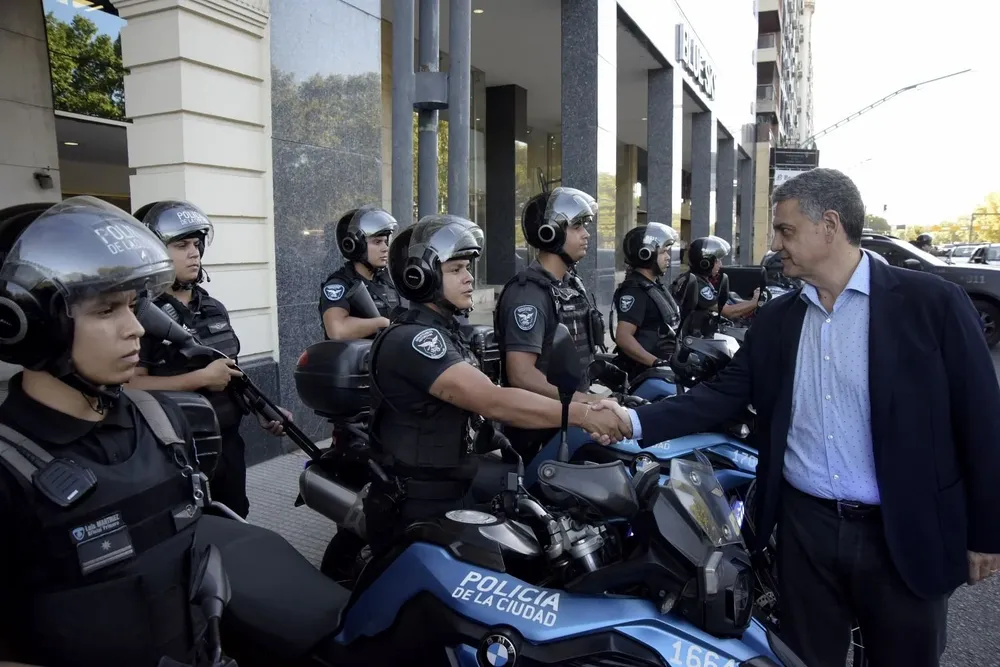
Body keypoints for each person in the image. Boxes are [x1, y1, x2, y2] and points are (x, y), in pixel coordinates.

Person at [605, 168, 1000, 667]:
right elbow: (721, 395)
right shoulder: (777, 319)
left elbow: (982, 421)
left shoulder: (932, 304)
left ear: (829, 225)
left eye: (785, 230)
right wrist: (632, 421)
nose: (775, 245)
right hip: (804, 533)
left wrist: (987, 533)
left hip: (904, 534)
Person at [0, 196, 225, 666]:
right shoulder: (9, 472)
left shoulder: (164, 423)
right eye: (106, 311)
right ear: (30, 325)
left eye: (132, 306)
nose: (135, 329)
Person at [364, 214, 627, 553]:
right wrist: (583, 414)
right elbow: (493, 400)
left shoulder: (447, 332)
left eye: (467, 268)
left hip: (454, 486)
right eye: (456, 270)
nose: (469, 277)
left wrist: (588, 403)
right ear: (420, 276)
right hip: (420, 507)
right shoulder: (416, 341)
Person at [128, 200, 291, 519]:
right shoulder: (141, 314)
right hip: (174, 451)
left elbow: (229, 369)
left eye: (196, 243)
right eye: (181, 244)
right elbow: (129, 385)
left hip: (227, 444)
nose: (194, 252)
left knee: (235, 519)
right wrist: (199, 380)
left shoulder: (213, 306)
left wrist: (260, 408)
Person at [494, 187, 610, 460]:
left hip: (568, 423)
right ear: (551, 231)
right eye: (577, 226)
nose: (586, 234)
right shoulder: (529, 294)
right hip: (539, 436)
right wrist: (582, 401)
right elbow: (521, 374)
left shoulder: (570, 286)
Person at [320, 206, 402, 340]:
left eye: (386, 242)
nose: (385, 248)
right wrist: (383, 323)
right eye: (377, 242)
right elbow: (337, 330)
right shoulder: (339, 285)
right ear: (354, 245)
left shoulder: (388, 279)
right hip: (356, 359)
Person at [611, 222, 681, 379]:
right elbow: (623, 337)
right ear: (646, 254)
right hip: (644, 375)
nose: (668, 257)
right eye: (663, 252)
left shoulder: (652, 285)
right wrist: (656, 362)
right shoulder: (635, 290)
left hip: (661, 371)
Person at [670, 235, 759, 325]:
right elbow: (728, 312)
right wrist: (755, 302)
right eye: (717, 261)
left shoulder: (696, 279)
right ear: (705, 263)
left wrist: (752, 301)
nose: (720, 265)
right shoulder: (697, 285)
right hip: (695, 335)